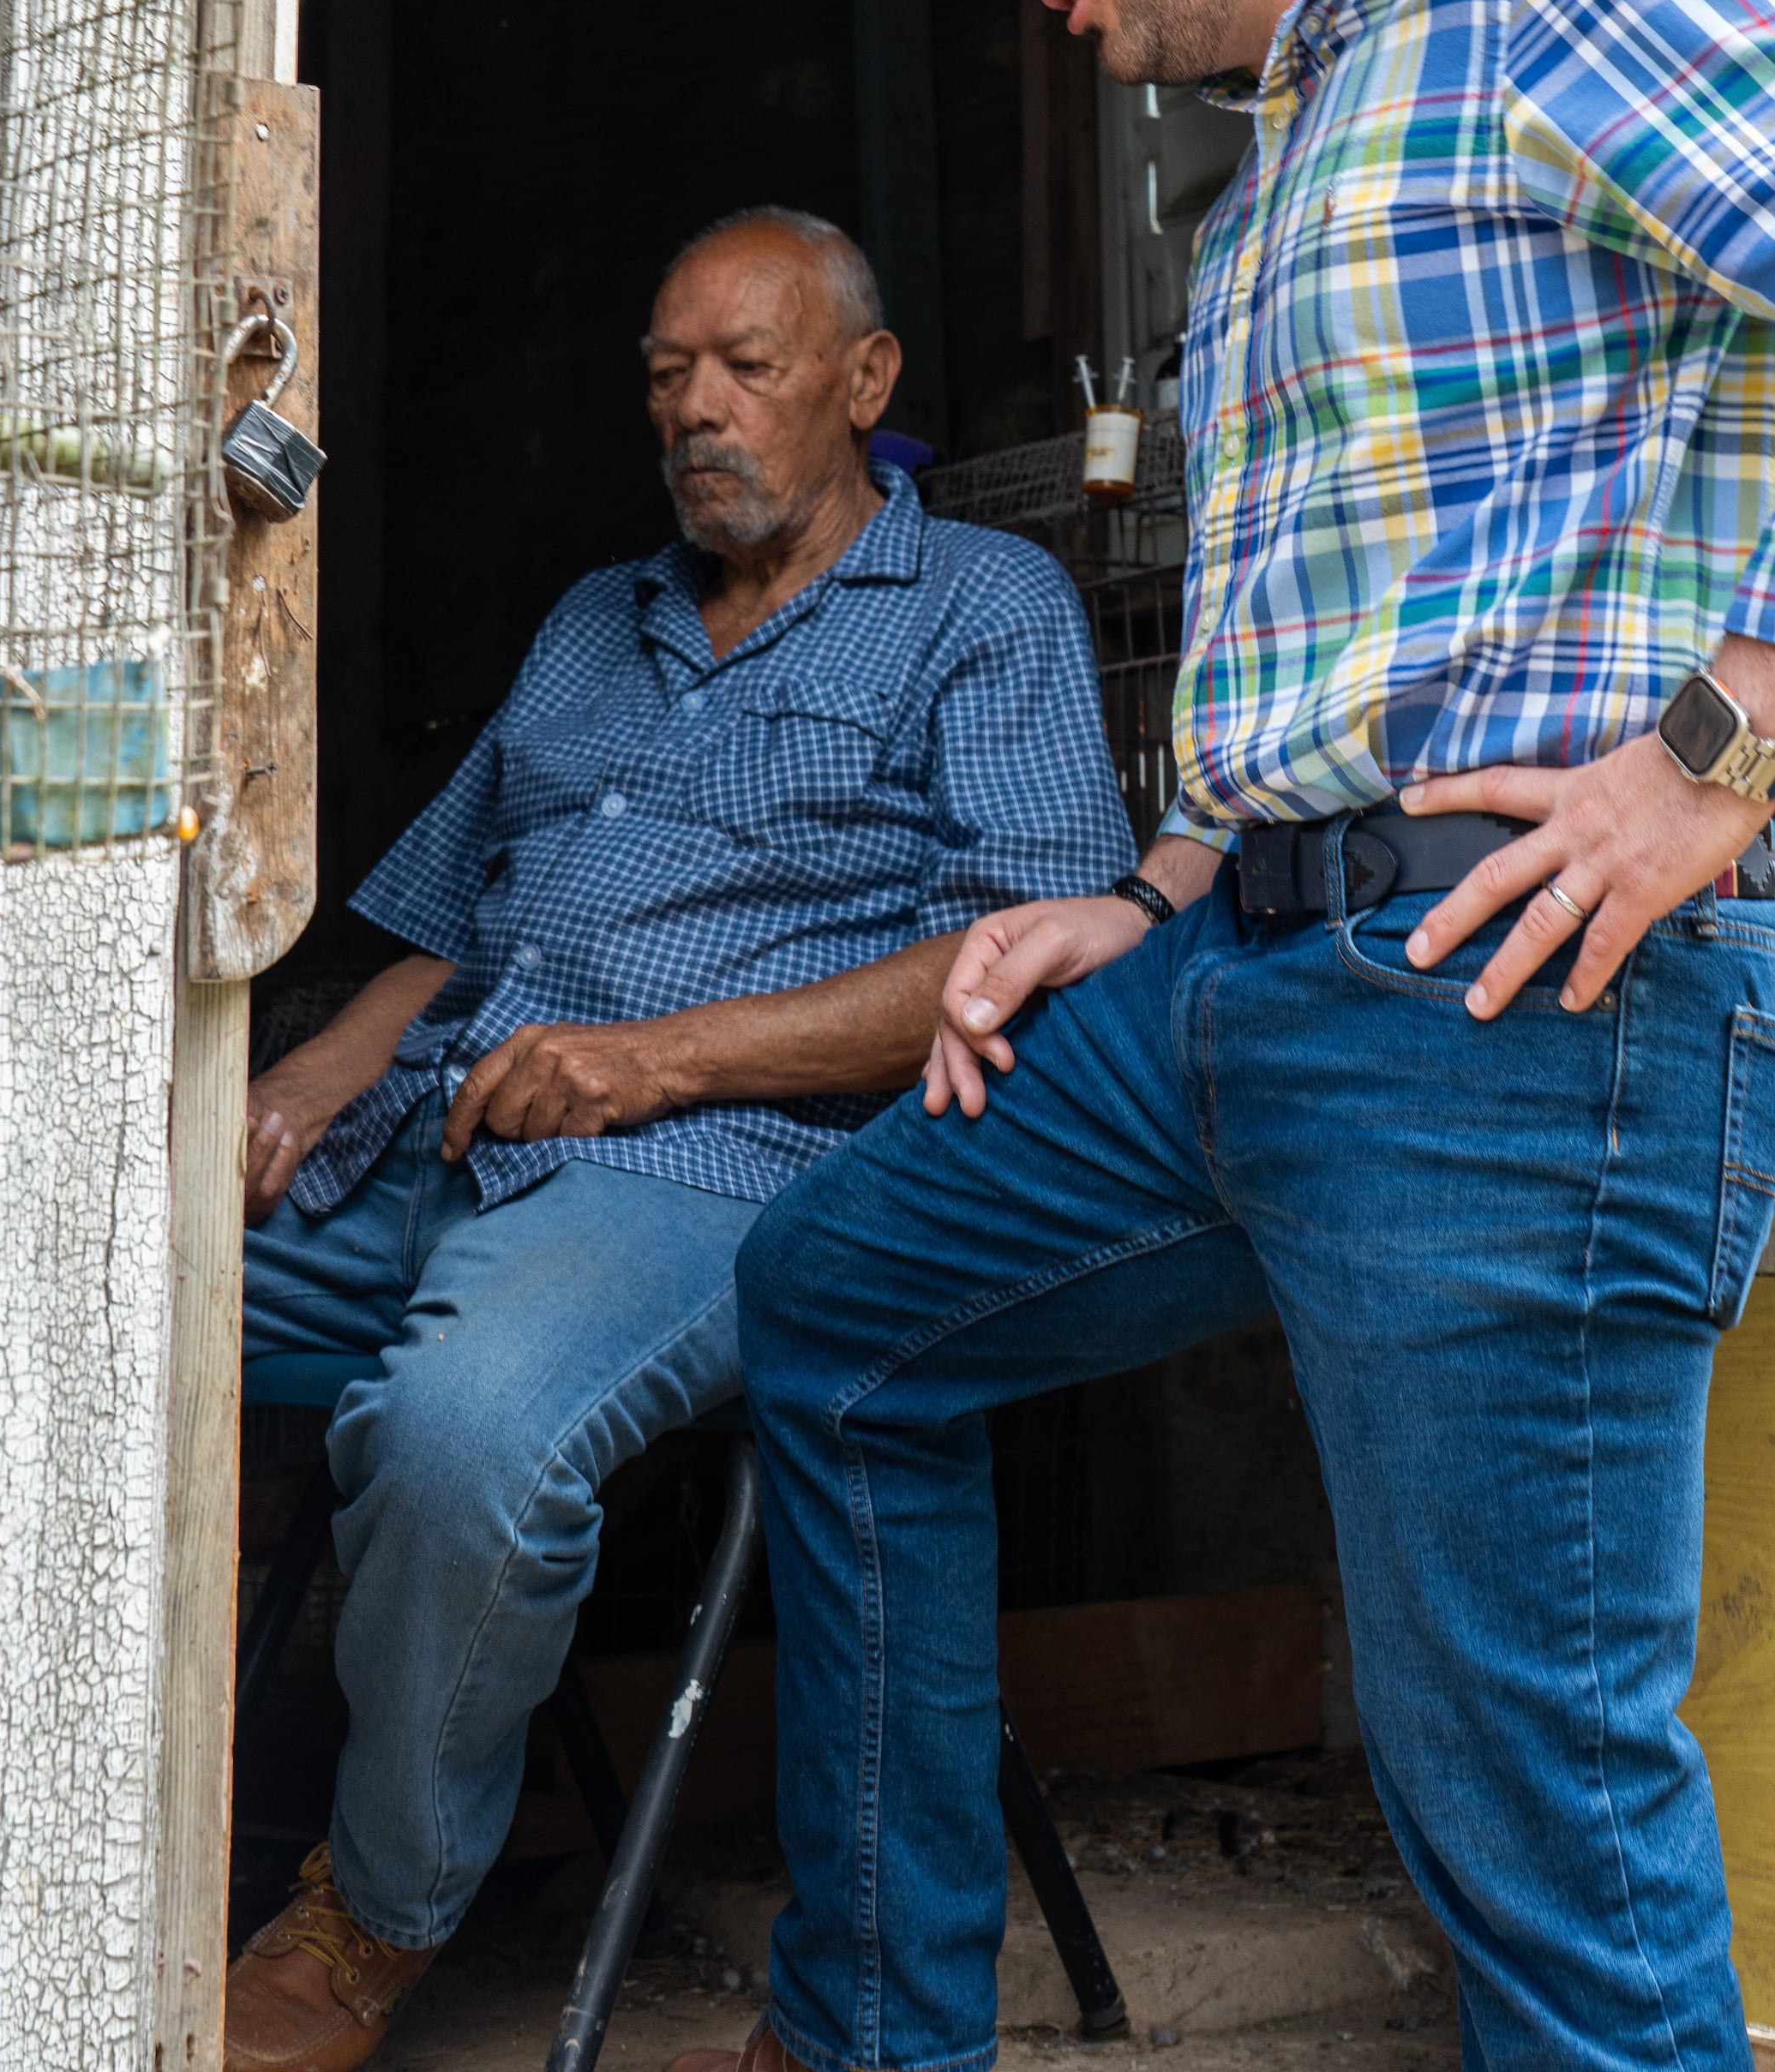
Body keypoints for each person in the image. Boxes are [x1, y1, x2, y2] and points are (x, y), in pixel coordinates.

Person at [675, 0, 1775, 2072]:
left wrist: (1717, 754)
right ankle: (877, 2031)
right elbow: (1331, 655)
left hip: (1508, 1014)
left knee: (1521, 1814)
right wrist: (1141, 894)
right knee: (835, 1304)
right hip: (1236, 981)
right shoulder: (1273, 179)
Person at [225, 207, 1133, 2072]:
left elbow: (1016, 954)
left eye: (745, 368)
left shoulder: (983, 608)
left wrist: (651, 1065)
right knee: (70, 1298)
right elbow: (456, 929)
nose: (694, 409)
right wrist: (313, 1076)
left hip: (714, 1173)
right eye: (664, 375)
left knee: (464, 1435)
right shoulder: (595, 619)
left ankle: (365, 1923)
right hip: (425, 1129)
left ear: (864, 381)